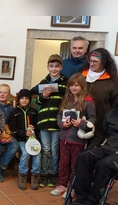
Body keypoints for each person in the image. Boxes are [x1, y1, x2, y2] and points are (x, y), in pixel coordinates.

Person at [51, 74, 96, 198]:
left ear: (82, 86)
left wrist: (81, 123)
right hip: (64, 137)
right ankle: (62, 184)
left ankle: (72, 187)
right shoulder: (67, 99)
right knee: (63, 163)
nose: (73, 88)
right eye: (71, 85)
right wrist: (62, 124)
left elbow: (93, 119)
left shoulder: (88, 102)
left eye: (76, 85)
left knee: (74, 164)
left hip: (78, 140)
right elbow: (59, 115)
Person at [31, 54, 68, 188]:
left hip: (57, 122)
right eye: (51, 66)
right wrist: (43, 96)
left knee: (55, 149)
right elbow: (37, 101)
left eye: (57, 66)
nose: (54, 69)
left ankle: (52, 174)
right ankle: (44, 174)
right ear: (47, 67)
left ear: (61, 67)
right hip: (44, 121)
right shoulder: (43, 82)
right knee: (45, 149)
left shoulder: (66, 82)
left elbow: (68, 101)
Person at [80, 48, 118, 148]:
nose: (92, 64)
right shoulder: (80, 76)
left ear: (104, 62)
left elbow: (117, 106)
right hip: (79, 125)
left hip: (100, 127)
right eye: (90, 61)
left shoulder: (113, 82)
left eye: (95, 61)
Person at [8, 89, 39, 190]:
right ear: (18, 100)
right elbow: (13, 129)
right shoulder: (14, 112)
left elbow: (38, 126)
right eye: (22, 98)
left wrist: (34, 129)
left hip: (33, 139)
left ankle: (35, 175)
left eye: (26, 98)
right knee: (25, 153)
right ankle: (22, 175)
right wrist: (24, 132)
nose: (24, 100)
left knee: (37, 153)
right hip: (21, 139)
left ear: (30, 100)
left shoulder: (34, 112)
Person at [0, 84, 20, 182]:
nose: (2, 94)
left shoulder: (11, 108)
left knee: (15, 145)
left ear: (9, 95)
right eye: (0, 92)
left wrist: (9, 130)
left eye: (5, 92)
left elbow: (12, 123)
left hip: (6, 133)